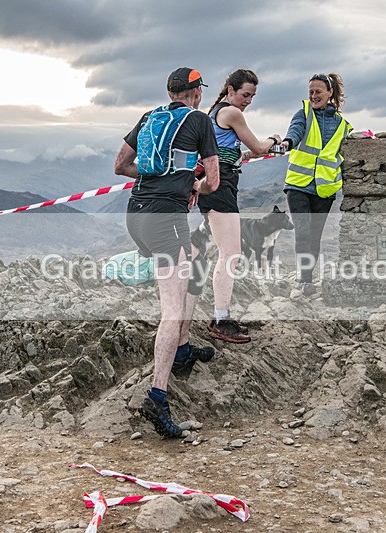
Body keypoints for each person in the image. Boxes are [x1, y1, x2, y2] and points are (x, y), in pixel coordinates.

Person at [114, 67, 220, 438]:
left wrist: (165, 179)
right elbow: (214, 182)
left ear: (169, 90)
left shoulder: (149, 117)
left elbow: (121, 165)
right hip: (166, 219)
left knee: (196, 268)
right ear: (195, 93)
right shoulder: (199, 121)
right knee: (171, 311)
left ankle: (184, 348)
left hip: (136, 214)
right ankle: (157, 395)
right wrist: (192, 184)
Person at [200, 68, 282, 343]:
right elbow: (259, 148)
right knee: (230, 253)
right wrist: (276, 140)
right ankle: (220, 319)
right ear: (231, 90)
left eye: (253, 96)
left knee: (228, 253)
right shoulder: (232, 113)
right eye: (246, 94)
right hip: (221, 187)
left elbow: (226, 150)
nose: (248, 100)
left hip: (219, 185)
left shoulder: (217, 113)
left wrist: (247, 151)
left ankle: (222, 315)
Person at [280, 73, 352, 296]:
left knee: (315, 235)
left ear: (330, 93)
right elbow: (296, 130)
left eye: (318, 92)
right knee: (302, 232)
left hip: (324, 188)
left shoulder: (342, 125)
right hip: (298, 184)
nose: (313, 96)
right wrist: (288, 142)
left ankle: (308, 276)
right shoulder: (303, 113)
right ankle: (305, 279)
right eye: (310, 91)